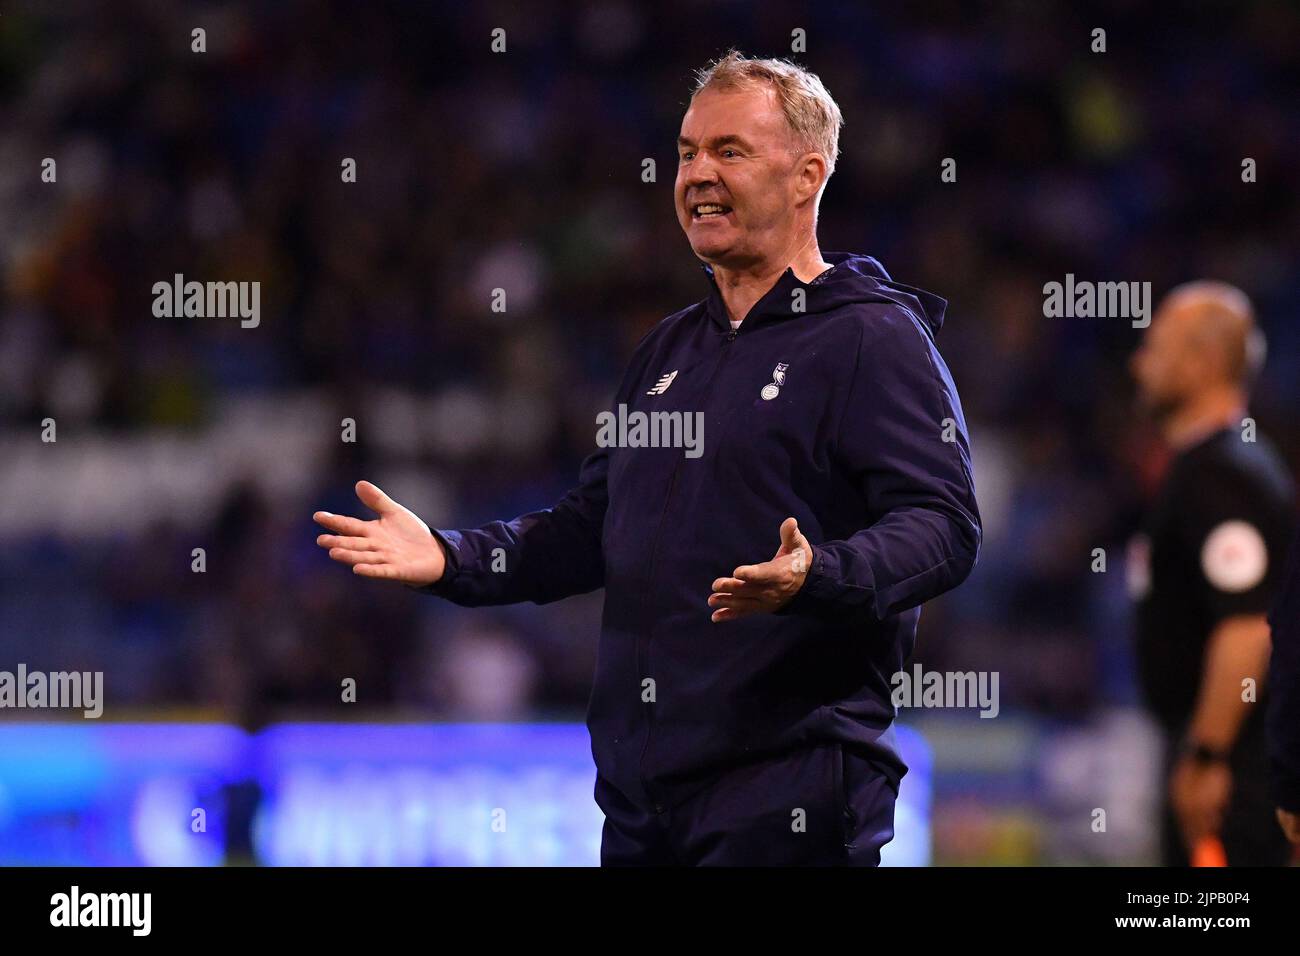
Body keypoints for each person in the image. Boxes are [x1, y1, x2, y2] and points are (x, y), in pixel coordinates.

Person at [314, 50, 980, 866]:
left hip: (788, 793)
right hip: (641, 802)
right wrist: (451, 557)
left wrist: (823, 575)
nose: (697, 173)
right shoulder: (668, 350)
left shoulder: (871, 338)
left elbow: (945, 525)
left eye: (728, 151)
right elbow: (593, 527)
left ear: (807, 176)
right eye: (687, 152)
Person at [1129, 281, 1295, 865]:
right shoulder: (1217, 466)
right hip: (1227, 749)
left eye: (1156, 348)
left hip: (1235, 766)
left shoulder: (1221, 475)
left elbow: (1247, 627)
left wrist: (1207, 756)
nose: (1139, 363)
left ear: (1202, 361)